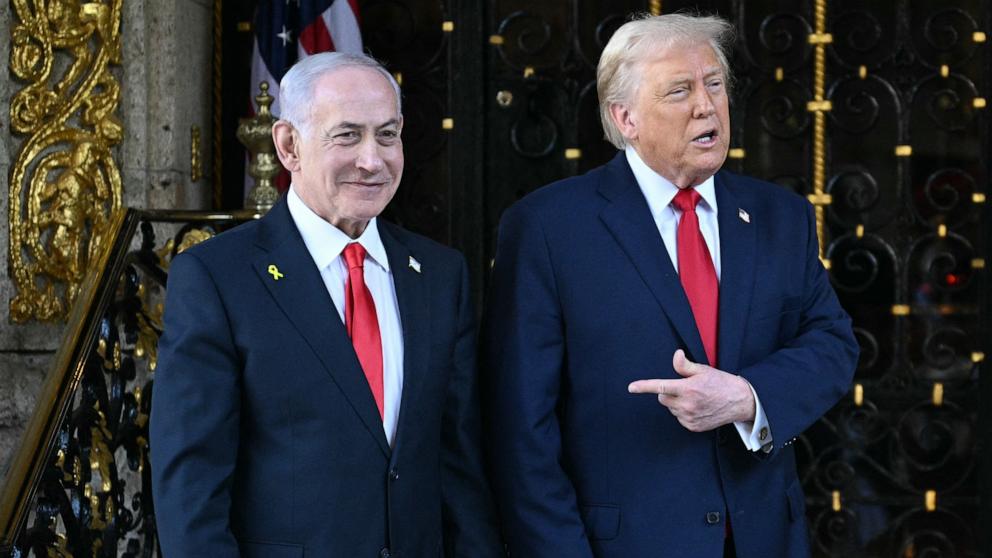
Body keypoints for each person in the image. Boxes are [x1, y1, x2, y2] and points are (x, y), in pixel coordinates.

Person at [483, 13, 858, 558]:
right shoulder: (547, 227)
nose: (707, 105)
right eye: (680, 90)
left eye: (714, 84)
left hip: (764, 539)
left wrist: (750, 397)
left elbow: (832, 343)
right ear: (625, 117)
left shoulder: (781, 216)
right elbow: (520, 429)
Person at [151, 52, 503, 558]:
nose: (372, 159)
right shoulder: (217, 277)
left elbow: (460, 469)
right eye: (347, 135)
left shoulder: (441, 275)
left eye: (387, 135)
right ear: (288, 145)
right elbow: (191, 488)